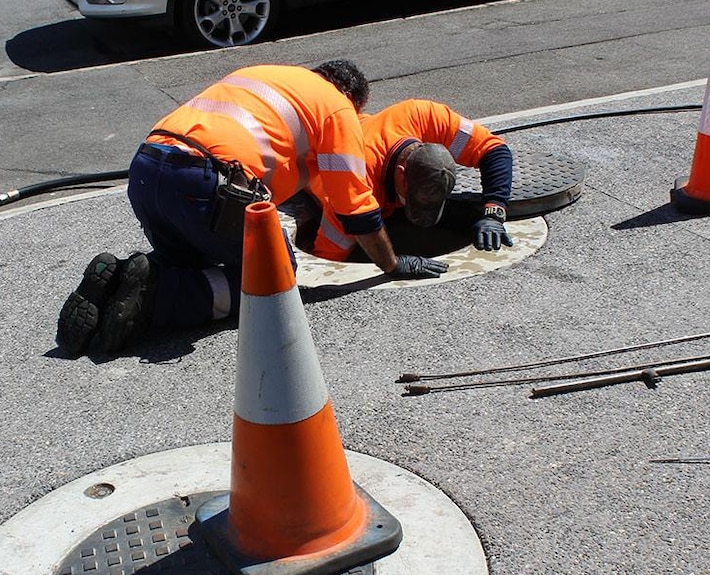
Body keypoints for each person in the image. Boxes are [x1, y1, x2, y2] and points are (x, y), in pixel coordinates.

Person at [55, 61, 448, 358]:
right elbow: (354, 205)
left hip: (147, 171)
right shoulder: (336, 109)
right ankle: (157, 298)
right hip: (206, 184)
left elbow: (285, 169)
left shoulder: (265, 77)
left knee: (195, 264)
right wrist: (393, 264)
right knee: (276, 274)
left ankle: (119, 280)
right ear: (353, 99)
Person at [290, 98, 514, 262]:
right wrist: (390, 264)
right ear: (400, 174)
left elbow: (495, 150)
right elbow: (327, 260)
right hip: (315, 173)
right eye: (412, 200)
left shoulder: (423, 115)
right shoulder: (354, 183)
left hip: (363, 137)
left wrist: (494, 211)